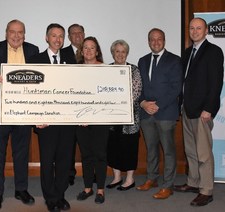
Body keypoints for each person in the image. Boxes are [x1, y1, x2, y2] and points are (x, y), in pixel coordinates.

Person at [0, 19, 39, 209]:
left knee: (21, 153)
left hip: (23, 112)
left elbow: (41, 78)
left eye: (20, 32)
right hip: (0, 112)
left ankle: (21, 189)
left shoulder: (32, 50)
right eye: (12, 32)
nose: (16, 36)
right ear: (6, 33)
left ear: (24, 34)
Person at [174, 17, 224, 207]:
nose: (194, 31)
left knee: (203, 153)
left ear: (206, 30)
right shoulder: (188, 52)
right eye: (192, 28)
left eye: (198, 28)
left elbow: (216, 82)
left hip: (203, 111)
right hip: (187, 109)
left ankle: (206, 190)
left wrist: (209, 109)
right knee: (191, 151)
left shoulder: (213, 51)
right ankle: (194, 183)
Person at [27, 23, 76, 212]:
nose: (58, 39)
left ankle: (60, 195)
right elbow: (29, 93)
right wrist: (35, 117)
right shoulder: (34, 60)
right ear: (46, 38)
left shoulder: (71, 59)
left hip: (67, 121)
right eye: (54, 35)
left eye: (61, 36)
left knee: (64, 161)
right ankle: (50, 198)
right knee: (47, 161)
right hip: (45, 122)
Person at [135, 28, 182, 200]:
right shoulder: (143, 61)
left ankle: (167, 185)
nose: (155, 42)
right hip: (146, 113)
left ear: (164, 40)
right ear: (148, 41)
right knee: (151, 149)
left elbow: (176, 87)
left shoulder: (175, 60)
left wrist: (158, 105)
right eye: (152, 39)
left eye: (159, 39)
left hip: (166, 113)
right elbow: (139, 87)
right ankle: (151, 179)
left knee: (168, 151)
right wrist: (143, 103)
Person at [75, 36, 108, 204]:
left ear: (97, 51)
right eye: (85, 47)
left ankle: (100, 190)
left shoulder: (105, 70)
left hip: (100, 121)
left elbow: (106, 97)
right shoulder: (75, 70)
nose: (88, 51)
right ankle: (88, 188)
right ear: (81, 51)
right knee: (86, 155)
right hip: (81, 121)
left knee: (100, 155)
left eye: (92, 47)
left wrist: (92, 115)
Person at [106, 40, 142, 191]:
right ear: (113, 53)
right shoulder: (106, 70)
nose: (120, 54)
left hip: (129, 118)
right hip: (111, 118)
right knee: (113, 147)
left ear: (127, 53)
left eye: (123, 52)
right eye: (117, 51)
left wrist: (118, 103)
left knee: (129, 147)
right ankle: (116, 177)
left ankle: (129, 179)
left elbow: (136, 91)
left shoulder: (134, 70)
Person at [60, 23, 85, 186]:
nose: (77, 36)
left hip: (86, 107)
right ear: (69, 37)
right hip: (67, 108)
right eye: (73, 34)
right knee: (68, 144)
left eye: (80, 33)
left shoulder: (90, 51)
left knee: (86, 143)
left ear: (84, 34)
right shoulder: (61, 53)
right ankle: (69, 173)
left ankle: (91, 172)